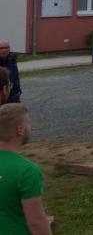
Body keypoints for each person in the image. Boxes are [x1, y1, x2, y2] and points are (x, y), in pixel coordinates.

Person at [0, 104, 53, 235]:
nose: (31, 126)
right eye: (28, 123)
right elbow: (36, 222)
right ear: (20, 130)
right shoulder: (27, 170)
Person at [0, 39, 21, 104]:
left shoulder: (12, 59)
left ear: (9, 48)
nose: (4, 50)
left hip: (15, 95)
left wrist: (18, 90)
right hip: (2, 97)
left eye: (6, 47)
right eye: (1, 48)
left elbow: (16, 76)